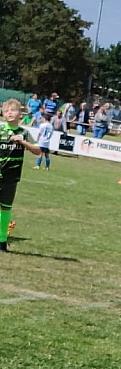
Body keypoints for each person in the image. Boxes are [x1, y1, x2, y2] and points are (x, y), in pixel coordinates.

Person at [0, 98, 42, 253]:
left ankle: (2, 241)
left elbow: (38, 151)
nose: (10, 113)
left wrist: (22, 142)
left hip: (11, 179)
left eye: (13, 110)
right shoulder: (1, 130)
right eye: (6, 111)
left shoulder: (24, 133)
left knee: (5, 209)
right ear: (3, 114)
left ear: (20, 114)